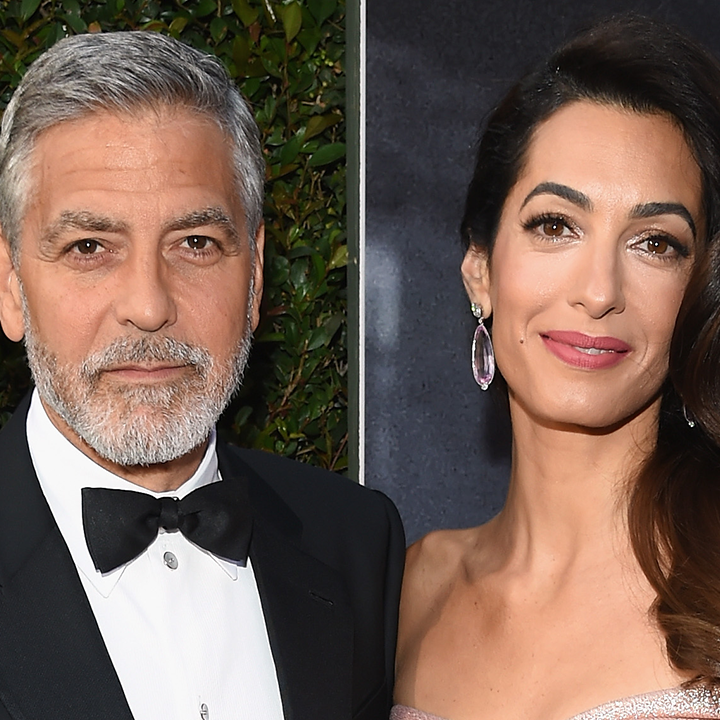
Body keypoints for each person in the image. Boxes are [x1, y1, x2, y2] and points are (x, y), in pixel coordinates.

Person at [0, 31, 404, 720]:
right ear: (11, 284)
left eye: (195, 243)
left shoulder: (356, 540)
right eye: (90, 246)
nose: (149, 306)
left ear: (255, 276)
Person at [393, 14, 720, 720]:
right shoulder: (403, 594)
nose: (599, 291)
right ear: (480, 268)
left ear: (700, 293)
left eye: (655, 243)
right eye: (555, 225)